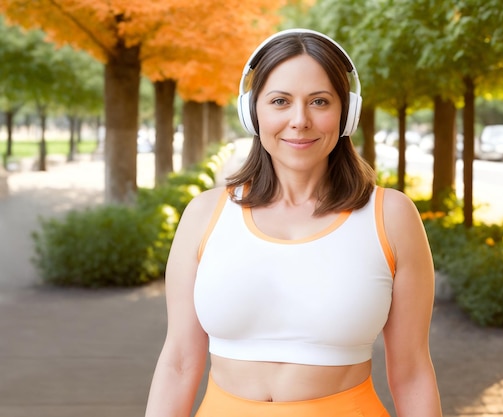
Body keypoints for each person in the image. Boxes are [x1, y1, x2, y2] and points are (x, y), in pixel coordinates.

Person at [145, 28, 442, 417]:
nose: (299, 120)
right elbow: (179, 362)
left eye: (319, 101)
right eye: (280, 101)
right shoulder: (204, 215)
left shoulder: (391, 216)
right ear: (252, 112)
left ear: (347, 112)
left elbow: (412, 372)